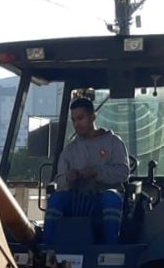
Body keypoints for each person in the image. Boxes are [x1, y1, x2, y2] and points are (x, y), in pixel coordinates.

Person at [45, 97, 130, 245]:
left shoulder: (113, 142)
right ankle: (47, 249)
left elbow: (123, 172)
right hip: (78, 201)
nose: (77, 123)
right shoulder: (69, 151)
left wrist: (96, 172)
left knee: (111, 197)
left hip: (105, 201)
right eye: (74, 120)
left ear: (92, 117)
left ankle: (111, 249)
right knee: (56, 199)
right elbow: (60, 180)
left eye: (80, 118)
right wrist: (68, 178)